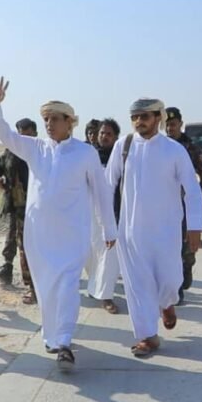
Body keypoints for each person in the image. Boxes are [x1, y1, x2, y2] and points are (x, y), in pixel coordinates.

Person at [0, 77, 117, 371]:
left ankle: (65, 342)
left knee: (68, 286)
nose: (48, 124)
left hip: (72, 235)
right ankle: (53, 337)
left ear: (70, 122)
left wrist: (109, 229)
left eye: (55, 119)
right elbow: (6, 135)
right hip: (39, 235)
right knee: (45, 288)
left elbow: (101, 193)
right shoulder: (35, 148)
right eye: (46, 119)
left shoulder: (85, 153)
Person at [106, 98, 202, 357]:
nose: (139, 121)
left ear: (158, 118)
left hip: (166, 231)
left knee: (171, 281)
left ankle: (167, 302)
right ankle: (147, 336)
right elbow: (108, 184)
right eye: (135, 117)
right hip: (131, 231)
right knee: (138, 286)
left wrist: (195, 226)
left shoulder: (174, 150)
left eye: (145, 116)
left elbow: (192, 190)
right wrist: (107, 224)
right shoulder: (123, 146)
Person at [164, 107, 202, 305]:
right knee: (170, 247)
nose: (170, 128)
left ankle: (186, 270)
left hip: (187, 205)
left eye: (173, 124)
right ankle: (175, 290)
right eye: (167, 125)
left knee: (186, 249)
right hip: (165, 206)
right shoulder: (160, 147)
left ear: (180, 124)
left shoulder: (191, 148)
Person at [0, 118, 37, 305]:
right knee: (15, 240)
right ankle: (11, 271)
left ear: (35, 134)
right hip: (16, 205)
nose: (23, 138)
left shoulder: (40, 152)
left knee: (32, 246)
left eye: (28, 134)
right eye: (21, 134)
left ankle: (35, 285)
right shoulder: (10, 152)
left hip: (37, 208)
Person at [85, 118, 123, 314]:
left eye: (109, 134)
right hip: (88, 213)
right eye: (102, 133)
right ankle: (95, 286)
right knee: (91, 254)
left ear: (115, 137)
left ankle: (106, 296)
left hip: (112, 213)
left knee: (109, 254)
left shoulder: (122, 158)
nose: (104, 137)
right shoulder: (88, 156)